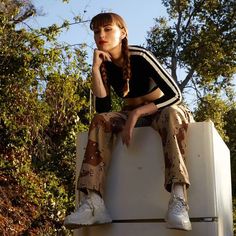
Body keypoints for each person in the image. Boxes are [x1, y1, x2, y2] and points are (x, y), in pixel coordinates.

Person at [64, 12, 194, 231]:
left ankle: (179, 200)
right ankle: (94, 203)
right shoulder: (103, 64)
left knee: (173, 113)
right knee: (100, 121)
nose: (101, 35)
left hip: (162, 110)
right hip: (131, 113)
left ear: (123, 33)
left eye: (108, 29)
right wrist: (95, 69)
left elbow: (175, 95)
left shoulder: (140, 56)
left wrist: (136, 114)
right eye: (96, 31)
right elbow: (103, 110)